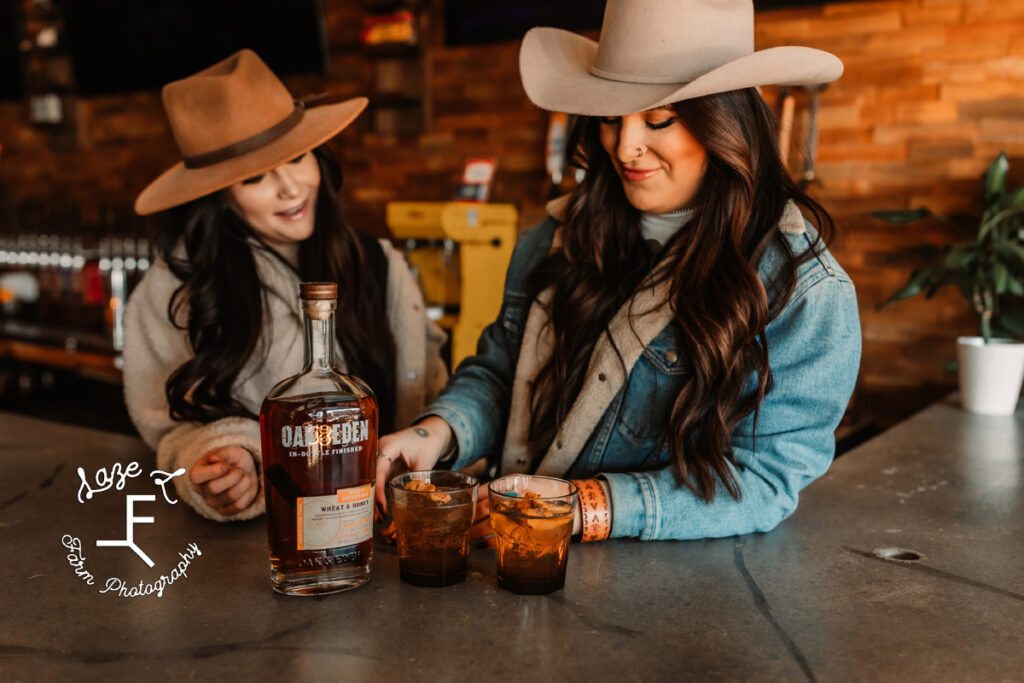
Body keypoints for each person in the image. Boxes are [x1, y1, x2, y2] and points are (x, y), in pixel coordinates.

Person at [376, 0, 861, 542]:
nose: (624, 146)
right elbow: (499, 375)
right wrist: (435, 432)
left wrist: (586, 506)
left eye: (658, 119)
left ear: (724, 122)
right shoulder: (554, 238)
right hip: (516, 568)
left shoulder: (805, 288)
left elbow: (764, 478)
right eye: (610, 117)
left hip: (670, 601)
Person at [125, 49, 447, 522]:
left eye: (297, 157)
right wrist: (230, 459)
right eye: (254, 177)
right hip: (269, 547)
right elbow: (169, 425)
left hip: (386, 531)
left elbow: (429, 389)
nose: (291, 189)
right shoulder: (180, 287)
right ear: (222, 198)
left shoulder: (378, 262)